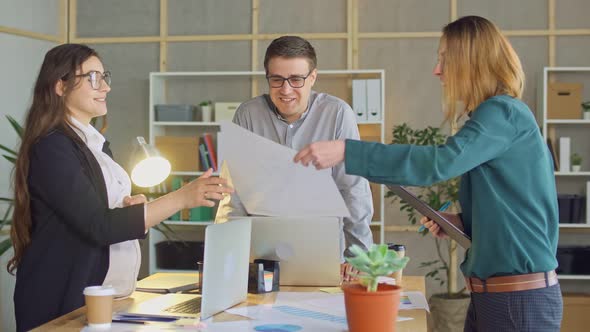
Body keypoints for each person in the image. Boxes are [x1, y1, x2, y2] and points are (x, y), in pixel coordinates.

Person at [294, 16, 562, 331]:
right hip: (495, 297)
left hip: (516, 302)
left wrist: (347, 151)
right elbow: (513, 211)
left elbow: (439, 163)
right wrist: (460, 223)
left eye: (445, 59)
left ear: (471, 62)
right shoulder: (500, 118)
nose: (437, 70)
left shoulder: (503, 112)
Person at [8, 43, 233, 331]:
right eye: (92, 78)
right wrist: (180, 198)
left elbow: (102, 218)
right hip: (62, 305)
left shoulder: (95, 146)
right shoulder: (52, 147)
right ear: (60, 86)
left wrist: (129, 209)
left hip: (108, 300)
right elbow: (98, 226)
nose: (105, 87)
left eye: (105, 77)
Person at [215, 35, 374, 278]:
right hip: (261, 252)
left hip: (322, 248)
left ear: (313, 77)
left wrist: (359, 256)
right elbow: (233, 194)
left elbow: (353, 189)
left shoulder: (338, 114)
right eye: (277, 79)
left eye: (296, 79)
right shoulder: (248, 114)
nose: (286, 90)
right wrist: (226, 257)